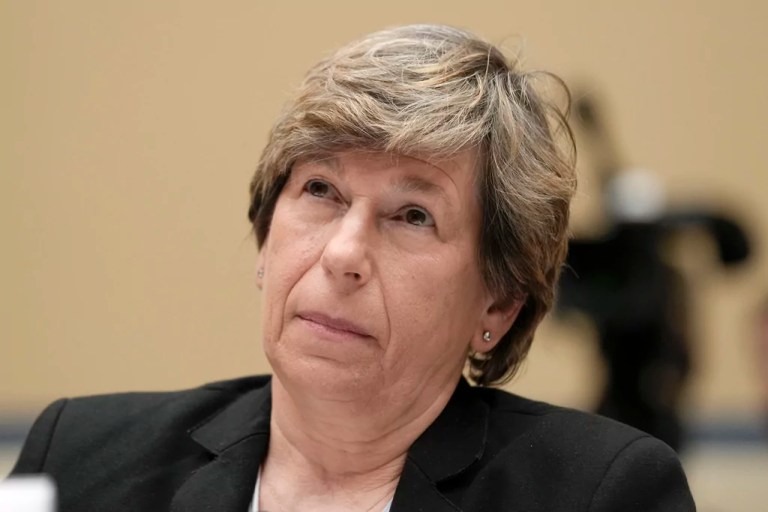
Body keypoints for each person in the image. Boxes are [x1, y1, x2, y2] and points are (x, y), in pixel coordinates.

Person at [10, 24, 695, 511]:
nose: (342, 254)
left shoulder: (600, 493)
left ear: (497, 303)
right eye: (320, 190)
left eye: (413, 216)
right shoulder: (78, 456)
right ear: (265, 239)